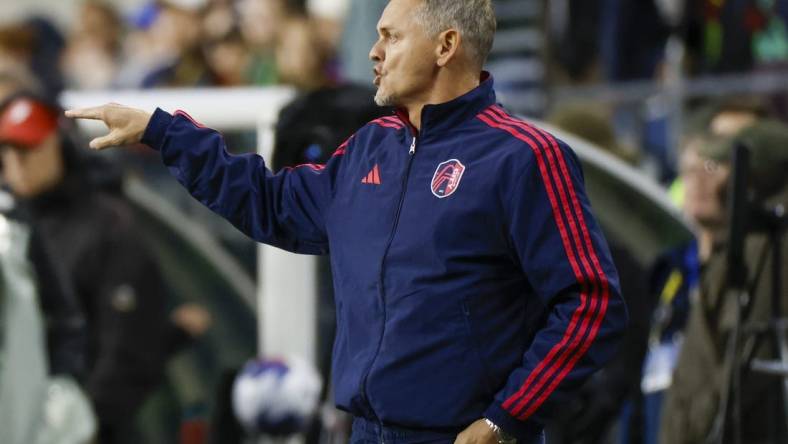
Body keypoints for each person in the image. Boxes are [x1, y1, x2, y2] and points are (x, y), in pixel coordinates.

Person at [66, 1, 627, 443]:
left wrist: (507, 420)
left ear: (446, 45)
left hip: (463, 437)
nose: (373, 52)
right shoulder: (369, 148)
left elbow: (591, 304)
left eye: (391, 35)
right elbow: (273, 203)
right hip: (363, 432)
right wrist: (165, 132)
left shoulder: (525, 157)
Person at [0, 81, 211, 443]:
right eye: (8, 150)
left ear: (60, 145)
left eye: (29, 148)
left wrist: (80, 425)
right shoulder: (9, 227)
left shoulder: (107, 228)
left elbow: (126, 349)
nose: (16, 162)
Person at [659, 119, 788, 444]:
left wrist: (693, 430)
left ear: (752, 178)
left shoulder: (763, 253)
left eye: (720, 167)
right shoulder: (737, 250)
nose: (706, 181)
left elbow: (743, 369)